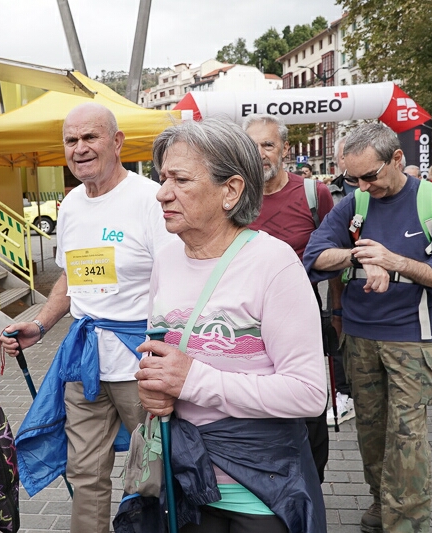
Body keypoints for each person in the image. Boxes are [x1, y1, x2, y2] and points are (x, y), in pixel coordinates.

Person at [137, 117, 327, 532]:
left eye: (180, 179)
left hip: (259, 491)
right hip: (184, 478)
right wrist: (153, 391)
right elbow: (162, 353)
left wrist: (192, 382)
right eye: (162, 177)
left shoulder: (273, 263)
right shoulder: (167, 259)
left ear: (231, 190)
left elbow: (310, 394)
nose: (162, 193)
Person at [0, 102, 173, 533]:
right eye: (71, 140)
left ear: (117, 143)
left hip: (142, 363)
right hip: (85, 362)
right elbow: (70, 278)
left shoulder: (150, 199)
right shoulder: (73, 204)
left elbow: (177, 281)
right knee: (85, 473)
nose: (79, 148)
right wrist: (40, 325)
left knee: (158, 473)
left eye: (90, 137)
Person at [304, 122, 432, 533]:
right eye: (353, 178)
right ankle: (382, 502)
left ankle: (406, 523)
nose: (362, 185)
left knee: (407, 438)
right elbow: (313, 257)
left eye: (370, 176)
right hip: (359, 339)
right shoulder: (355, 203)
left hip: (411, 340)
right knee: (372, 433)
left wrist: (395, 262)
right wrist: (361, 259)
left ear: (397, 159)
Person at [243, 113, 335, 484]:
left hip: (301, 310)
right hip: (245, 316)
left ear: (285, 149)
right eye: (253, 146)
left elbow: (338, 252)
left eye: (268, 144)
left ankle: (312, 485)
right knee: (257, 399)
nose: (261, 153)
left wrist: (337, 312)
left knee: (308, 402)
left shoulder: (315, 194)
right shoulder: (234, 194)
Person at [325, 134, 356, 427]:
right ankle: (342, 391)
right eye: (345, 155)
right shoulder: (329, 193)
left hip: (375, 282)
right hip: (338, 276)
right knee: (337, 332)